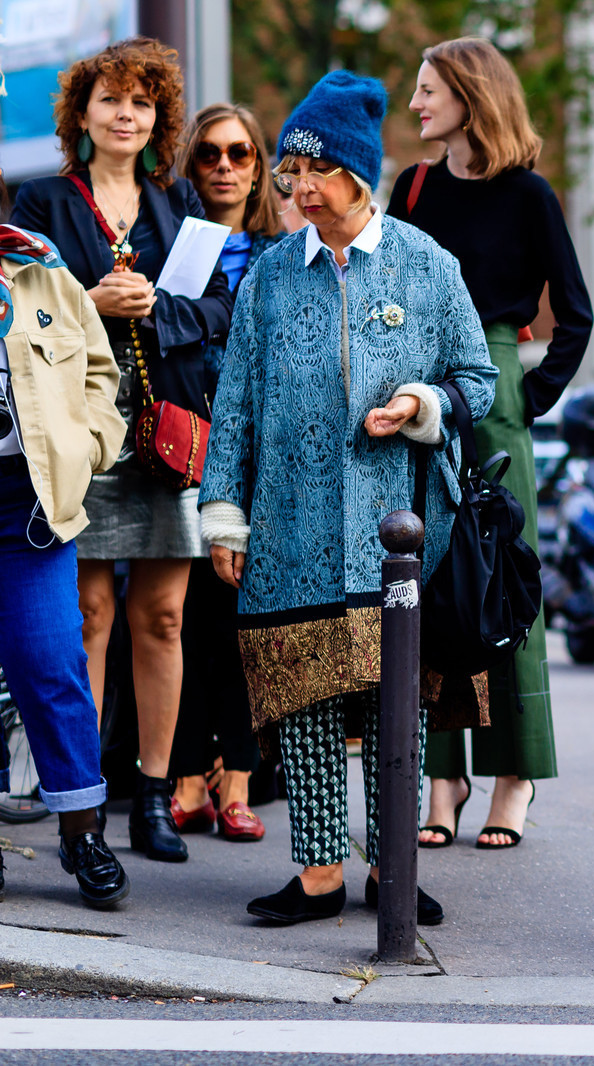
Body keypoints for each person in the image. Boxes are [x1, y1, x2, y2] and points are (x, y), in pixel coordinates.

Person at [199, 71, 497, 926]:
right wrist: (225, 510)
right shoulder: (268, 276)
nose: (296, 189)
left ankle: (391, 870)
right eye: (289, 173)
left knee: (392, 705)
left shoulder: (425, 264)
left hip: (394, 530)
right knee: (305, 705)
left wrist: (420, 406)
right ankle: (321, 876)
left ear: (358, 176)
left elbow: (476, 379)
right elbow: (238, 402)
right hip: (288, 529)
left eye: (312, 173)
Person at [11, 37, 234, 864]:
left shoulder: (179, 205)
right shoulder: (42, 202)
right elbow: (21, 298)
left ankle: (154, 797)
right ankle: (85, 801)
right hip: (80, 433)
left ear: (157, 118)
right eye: (110, 99)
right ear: (83, 112)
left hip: (168, 434)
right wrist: (90, 301)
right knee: (89, 617)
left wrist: (152, 313)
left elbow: (218, 310)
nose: (125, 114)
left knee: (164, 617)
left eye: (141, 103)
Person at [390, 36, 593, 851]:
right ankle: (445, 778)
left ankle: (516, 775)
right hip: (418, 390)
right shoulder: (410, 187)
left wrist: (527, 397)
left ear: (470, 95)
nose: (415, 104)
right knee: (434, 583)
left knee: (506, 581)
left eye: (427, 89)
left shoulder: (530, 195)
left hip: (499, 381)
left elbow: (575, 314)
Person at [0, 172, 131, 909]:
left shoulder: (40, 269)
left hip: (28, 509)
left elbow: (101, 372)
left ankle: (83, 830)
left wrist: (88, 448)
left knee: (50, 664)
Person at [166, 103, 285, 843]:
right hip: (182, 443)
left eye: (239, 153)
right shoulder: (170, 242)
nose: (224, 166)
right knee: (179, 620)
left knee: (243, 620)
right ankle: (184, 775)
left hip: (260, 454)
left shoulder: (281, 250)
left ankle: (238, 778)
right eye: (208, 153)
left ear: (258, 164)